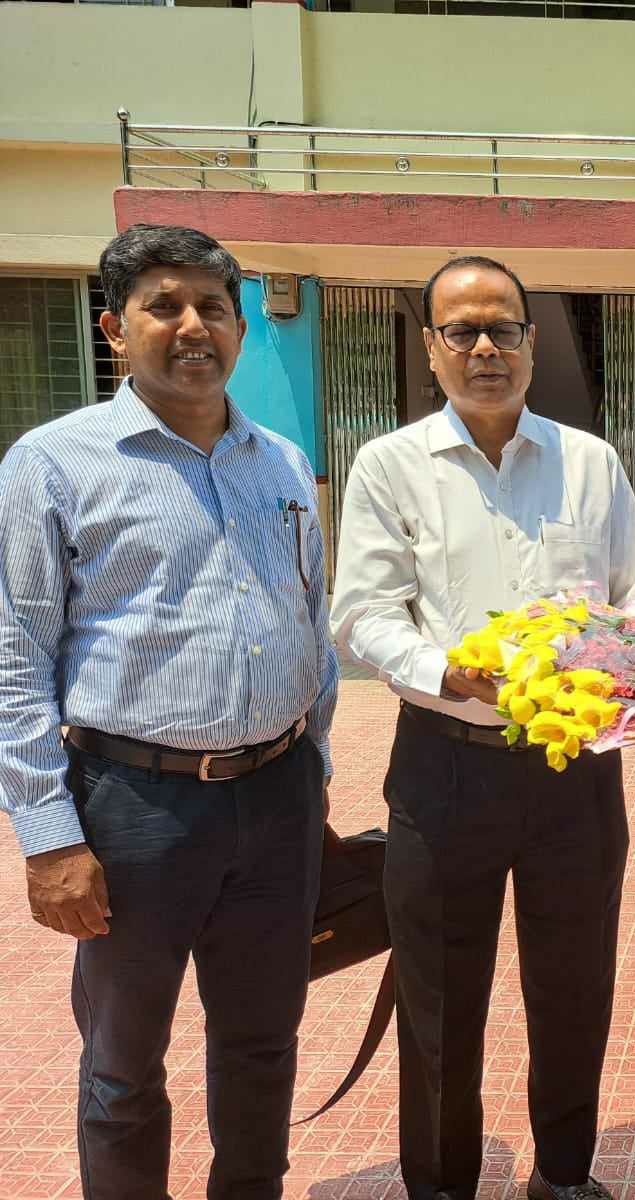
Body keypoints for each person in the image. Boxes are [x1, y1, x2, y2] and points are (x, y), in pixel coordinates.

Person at [0, 223, 338, 1199]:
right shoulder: (53, 464)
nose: (194, 326)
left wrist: (310, 768)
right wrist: (50, 839)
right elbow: (16, 659)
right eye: (165, 306)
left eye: (213, 308)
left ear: (240, 327)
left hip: (275, 800)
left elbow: (310, 623)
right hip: (133, 811)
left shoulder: (280, 461)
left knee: (262, 1045)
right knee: (122, 1067)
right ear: (114, 328)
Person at [331, 255, 635, 1200]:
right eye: (462, 331)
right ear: (432, 347)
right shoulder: (391, 465)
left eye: (503, 329)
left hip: (573, 769)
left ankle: (563, 1175)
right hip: (445, 766)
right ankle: (442, 1184)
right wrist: (444, 670)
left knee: (574, 985)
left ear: (531, 342)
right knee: (438, 998)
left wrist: (613, 665)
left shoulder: (590, 462)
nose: (485, 348)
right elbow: (363, 614)